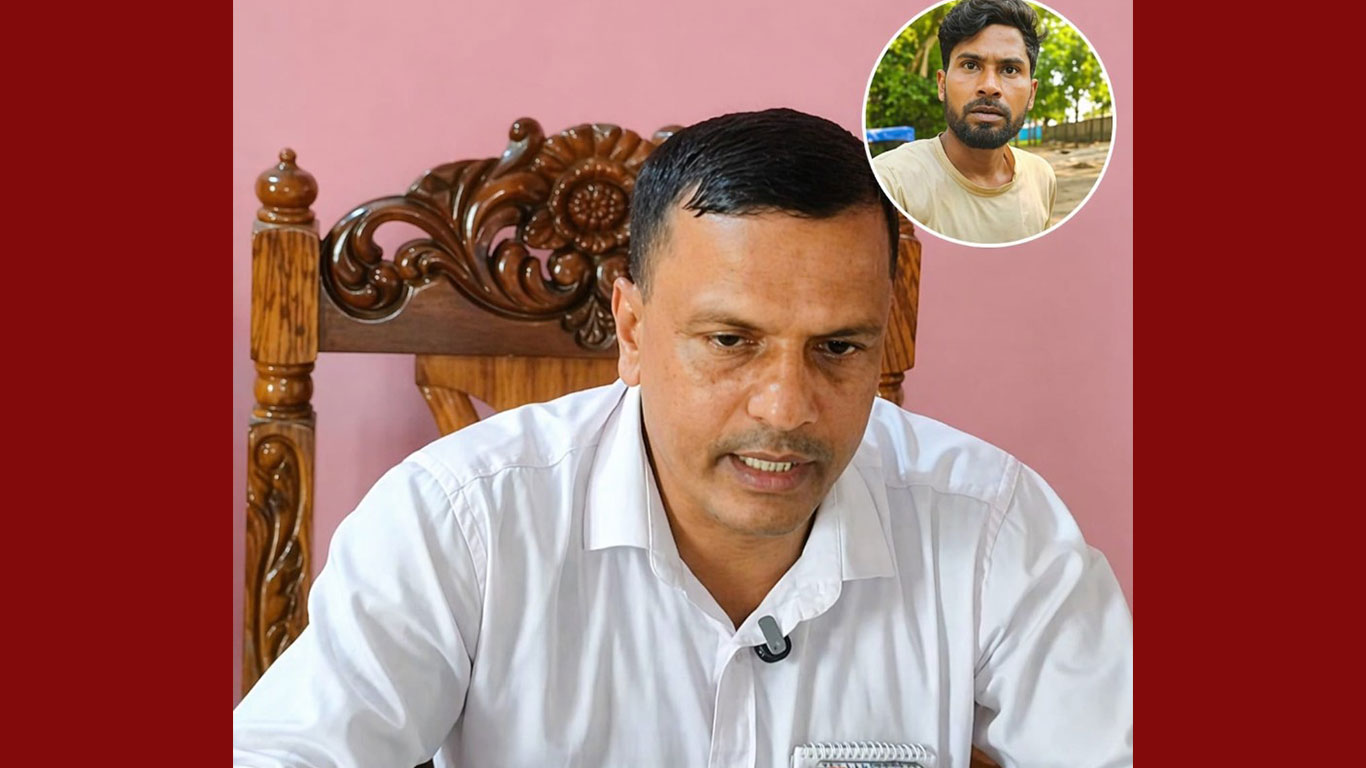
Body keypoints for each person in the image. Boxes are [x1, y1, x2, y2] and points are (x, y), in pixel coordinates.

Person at [233, 107, 1131, 767]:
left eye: (838, 348)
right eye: (731, 342)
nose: (786, 408)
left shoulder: (993, 527)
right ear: (632, 330)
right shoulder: (458, 520)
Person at [873, 0, 1058, 244]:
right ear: (942, 85)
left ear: (1032, 93)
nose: (989, 87)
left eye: (1010, 70)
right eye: (971, 65)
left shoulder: (1041, 177)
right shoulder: (890, 183)